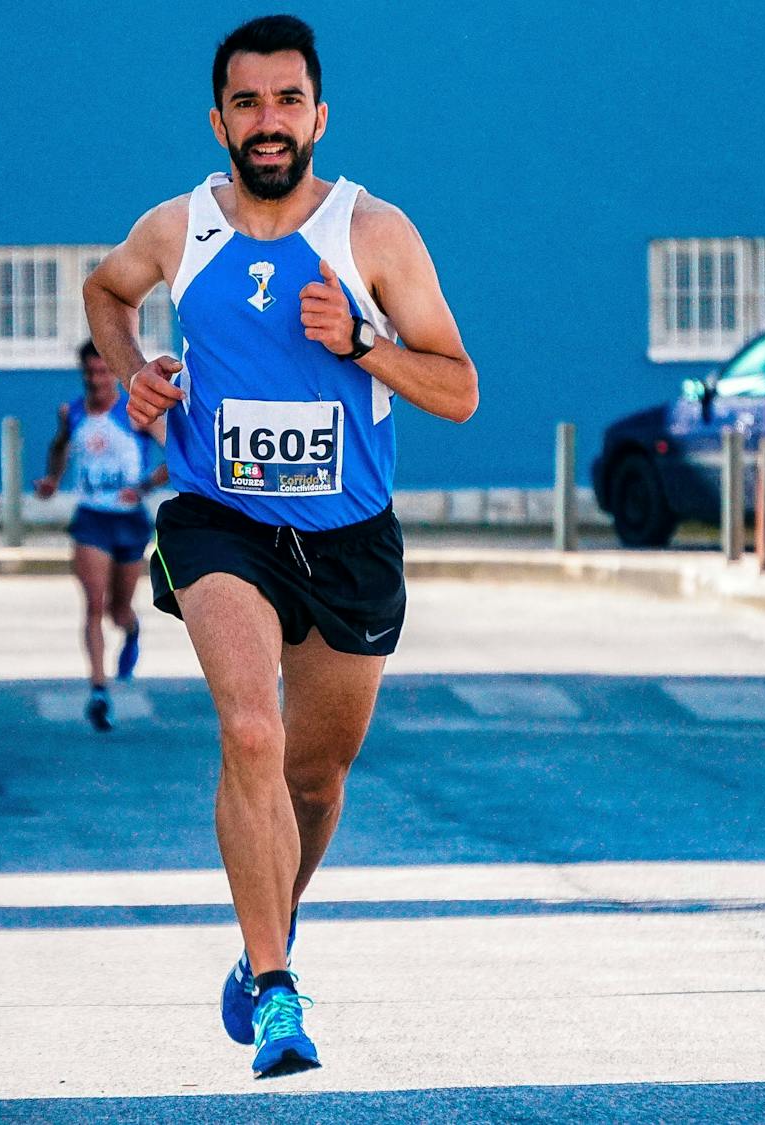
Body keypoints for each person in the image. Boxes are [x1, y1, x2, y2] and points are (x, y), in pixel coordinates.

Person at [81, 14, 478, 1078]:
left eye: (287, 101)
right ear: (218, 119)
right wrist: (134, 371)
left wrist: (362, 342)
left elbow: (459, 390)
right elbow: (106, 289)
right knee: (250, 732)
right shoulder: (179, 229)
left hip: (349, 539)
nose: (268, 122)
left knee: (314, 778)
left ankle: (272, 925)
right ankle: (274, 992)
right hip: (221, 523)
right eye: (247, 103)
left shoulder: (372, 234)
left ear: (318, 115)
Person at [35, 340, 169, 731]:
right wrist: (53, 480)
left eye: (103, 372)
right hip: (91, 519)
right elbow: (59, 446)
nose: (96, 380)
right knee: (94, 605)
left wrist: (143, 488)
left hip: (129, 521)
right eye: (90, 373)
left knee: (118, 611)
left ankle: (132, 630)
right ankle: (98, 689)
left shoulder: (134, 413)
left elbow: (175, 455)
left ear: (114, 372)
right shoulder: (72, 413)